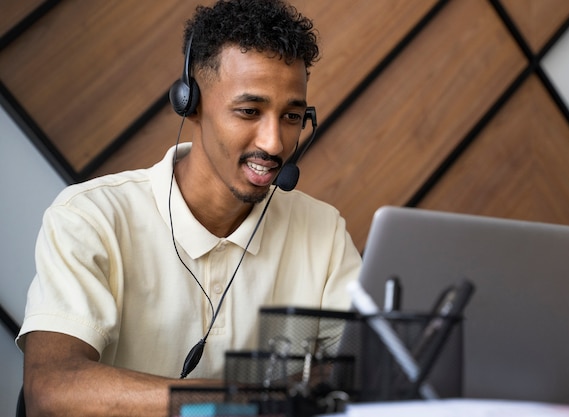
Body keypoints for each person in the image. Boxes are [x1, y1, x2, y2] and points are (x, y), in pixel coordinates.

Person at [17, 1, 362, 416]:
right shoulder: (89, 216)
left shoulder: (322, 230)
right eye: (249, 111)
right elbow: (52, 391)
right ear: (190, 103)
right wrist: (246, 400)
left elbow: (365, 368)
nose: (274, 143)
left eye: (291, 116)